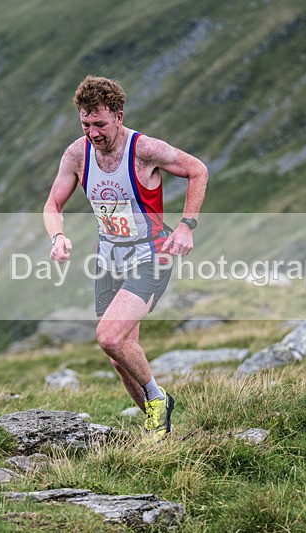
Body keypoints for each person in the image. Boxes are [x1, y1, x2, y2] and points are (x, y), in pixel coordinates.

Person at [43, 75, 208, 440]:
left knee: (109, 337)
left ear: (119, 116)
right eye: (86, 124)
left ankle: (157, 398)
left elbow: (198, 170)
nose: (93, 133)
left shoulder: (144, 149)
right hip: (109, 260)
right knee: (120, 358)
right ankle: (160, 430)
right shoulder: (76, 154)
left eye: (100, 124)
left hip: (151, 255)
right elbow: (53, 204)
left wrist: (186, 227)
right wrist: (57, 237)